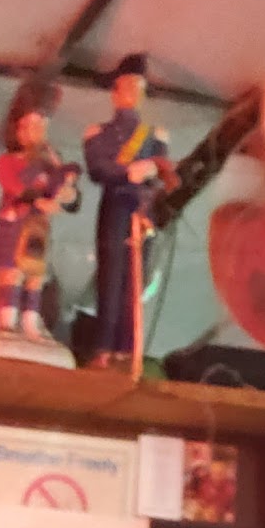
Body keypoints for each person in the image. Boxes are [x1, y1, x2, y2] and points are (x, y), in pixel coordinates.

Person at [82, 52, 170, 368]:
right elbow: (97, 168)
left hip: (142, 210)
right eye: (128, 86)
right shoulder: (99, 133)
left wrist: (154, 172)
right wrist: (128, 172)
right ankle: (104, 346)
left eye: (139, 87)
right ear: (115, 92)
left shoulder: (154, 136)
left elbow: (163, 172)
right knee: (111, 274)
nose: (133, 93)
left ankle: (128, 347)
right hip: (115, 204)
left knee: (136, 278)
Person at [0, 84, 80, 344]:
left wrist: (67, 190)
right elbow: (16, 187)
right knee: (12, 272)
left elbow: (63, 191)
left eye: (40, 126)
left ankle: (30, 321)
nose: (36, 132)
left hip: (38, 229)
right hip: (15, 224)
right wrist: (38, 200)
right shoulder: (9, 162)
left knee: (35, 275)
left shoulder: (49, 163)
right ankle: (6, 318)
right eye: (30, 126)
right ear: (19, 130)